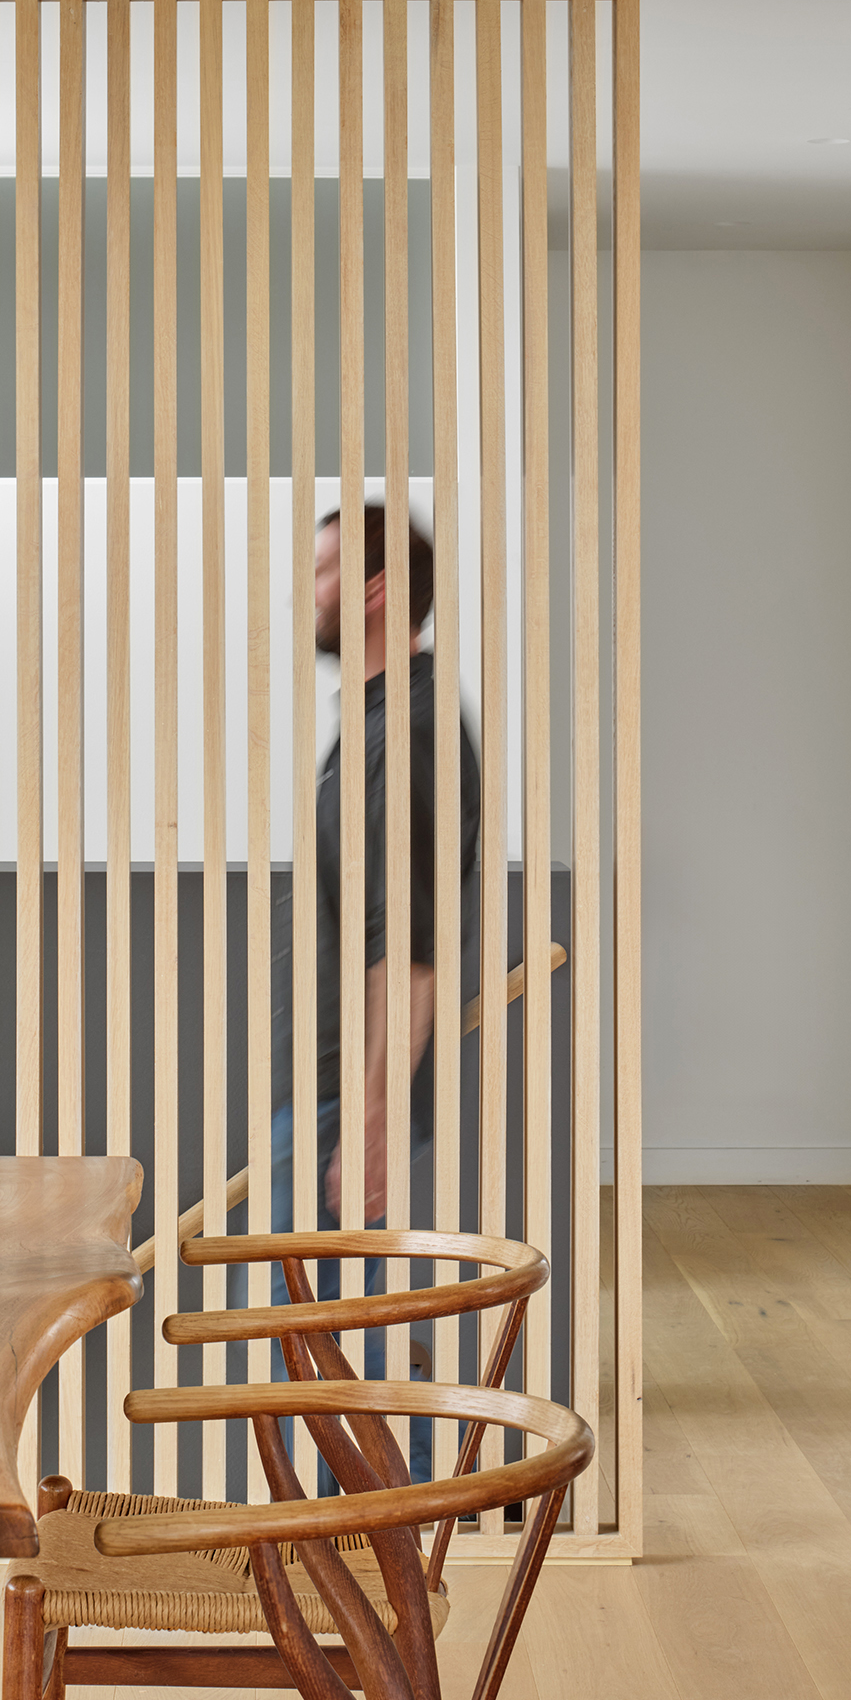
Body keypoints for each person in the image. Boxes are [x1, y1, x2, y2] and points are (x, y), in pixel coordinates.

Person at [260, 498, 481, 1485]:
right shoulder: (379, 723)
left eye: (323, 573)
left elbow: (412, 956)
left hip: (345, 1100)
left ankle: (386, 1552)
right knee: (333, 1346)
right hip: (329, 1093)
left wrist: (370, 1125)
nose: (307, 594)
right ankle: (377, 1547)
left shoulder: (409, 735)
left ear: (377, 590)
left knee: (342, 1350)